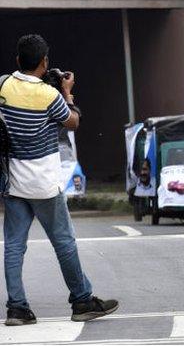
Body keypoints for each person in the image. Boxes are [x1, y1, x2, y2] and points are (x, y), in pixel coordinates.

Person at [1, 35, 117, 325]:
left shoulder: (3, 85)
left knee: (14, 246)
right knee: (63, 243)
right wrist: (66, 92)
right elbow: (73, 122)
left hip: (13, 182)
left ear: (17, 60)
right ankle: (81, 301)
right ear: (44, 62)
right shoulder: (49, 97)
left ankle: (17, 308)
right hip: (44, 185)